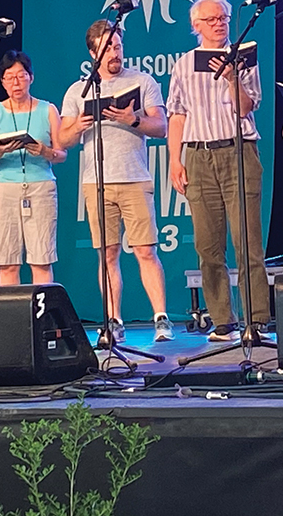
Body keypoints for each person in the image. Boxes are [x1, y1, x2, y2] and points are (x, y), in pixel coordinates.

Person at [58, 20, 174, 344]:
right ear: (93, 52)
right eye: (108, 48)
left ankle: (161, 317)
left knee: (145, 250)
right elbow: (63, 140)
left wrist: (132, 118)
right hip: (96, 182)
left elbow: (161, 126)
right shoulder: (78, 91)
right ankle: (114, 320)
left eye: (118, 46)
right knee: (107, 254)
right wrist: (79, 126)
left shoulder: (142, 80)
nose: (115, 53)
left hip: (134, 177)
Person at [167, 0, 269, 341]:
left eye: (223, 17)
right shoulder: (183, 65)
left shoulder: (245, 59)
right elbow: (177, 115)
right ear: (196, 26)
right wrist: (173, 160)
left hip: (237, 151)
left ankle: (256, 320)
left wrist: (231, 77)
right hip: (198, 155)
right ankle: (222, 320)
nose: (219, 23)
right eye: (211, 19)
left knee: (247, 241)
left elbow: (246, 107)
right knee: (208, 245)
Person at [0, 50, 64, 286]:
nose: (15, 82)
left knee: (41, 260)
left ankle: (43, 319)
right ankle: (12, 321)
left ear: (31, 77)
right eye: (9, 77)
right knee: (7, 262)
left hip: (40, 186)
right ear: (2, 82)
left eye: (21, 75)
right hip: (3, 189)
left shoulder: (48, 110)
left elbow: (61, 154)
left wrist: (45, 152)